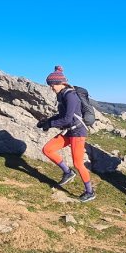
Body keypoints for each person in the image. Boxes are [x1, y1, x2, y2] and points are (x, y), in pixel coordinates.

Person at [37, 66, 95, 203]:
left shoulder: (71, 96)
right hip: (69, 131)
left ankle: (90, 192)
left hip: (78, 133)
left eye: (52, 85)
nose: (51, 88)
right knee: (47, 149)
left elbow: (67, 119)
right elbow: (62, 115)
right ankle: (68, 172)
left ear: (59, 83)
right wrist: (47, 121)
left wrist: (50, 125)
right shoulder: (62, 95)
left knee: (78, 163)